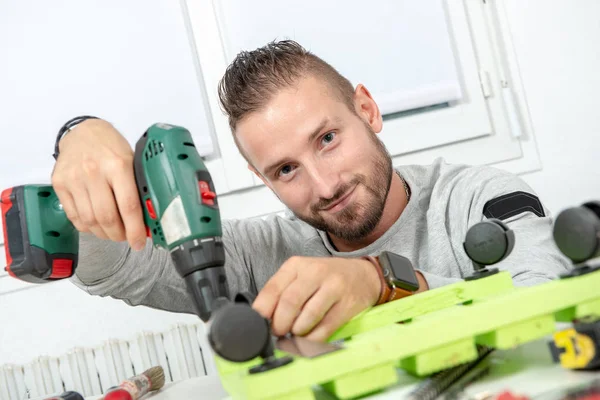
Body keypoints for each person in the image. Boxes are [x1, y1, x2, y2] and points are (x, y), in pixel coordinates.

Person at [51, 40, 570, 342]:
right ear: (261, 178)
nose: (325, 186)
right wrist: (77, 140)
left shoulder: (477, 197)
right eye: (284, 170)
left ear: (366, 110)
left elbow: (552, 305)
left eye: (327, 139)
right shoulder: (262, 257)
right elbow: (116, 268)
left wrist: (382, 281)